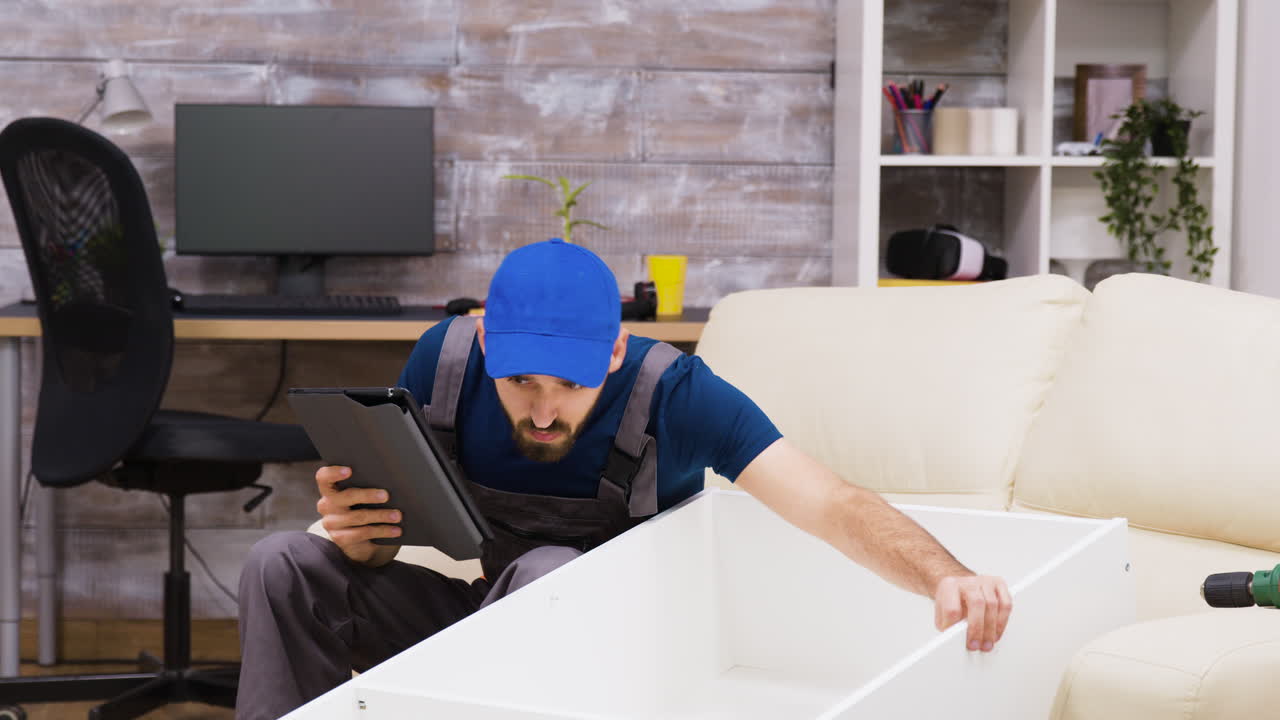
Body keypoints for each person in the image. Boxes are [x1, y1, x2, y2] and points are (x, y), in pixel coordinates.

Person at [235, 239, 1013, 720]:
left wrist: (946, 577)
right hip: (493, 624)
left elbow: (833, 503)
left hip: (620, 655)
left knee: (547, 572)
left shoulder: (678, 395)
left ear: (613, 352)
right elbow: (393, 542)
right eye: (520, 383)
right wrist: (363, 539)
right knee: (281, 563)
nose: (542, 413)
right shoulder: (441, 365)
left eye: (568, 387)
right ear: (482, 341)